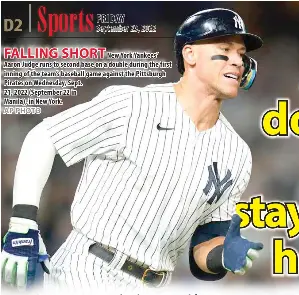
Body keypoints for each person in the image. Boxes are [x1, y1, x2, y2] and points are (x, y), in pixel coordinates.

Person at [1, 8, 263, 292]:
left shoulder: (237, 154)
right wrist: (22, 222)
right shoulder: (132, 105)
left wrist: (221, 254)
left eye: (241, 53)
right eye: (225, 49)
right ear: (190, 55)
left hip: (157, 284)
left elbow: (204, 244)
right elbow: (44, 137)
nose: (238, 60)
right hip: (88, 270)